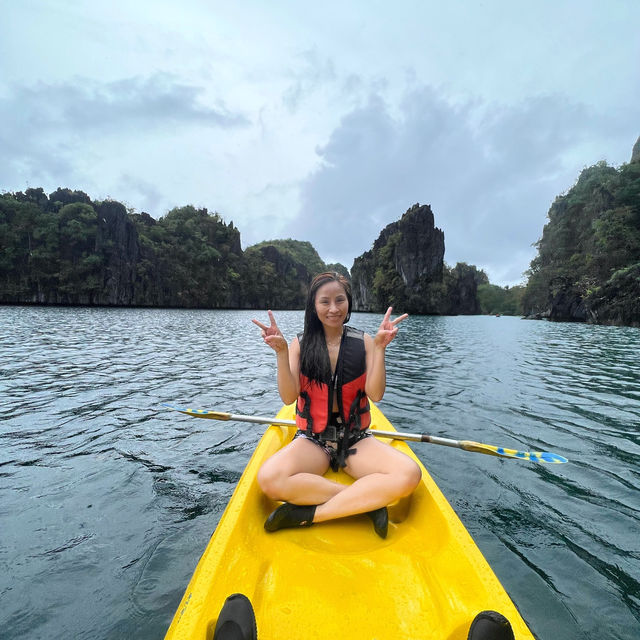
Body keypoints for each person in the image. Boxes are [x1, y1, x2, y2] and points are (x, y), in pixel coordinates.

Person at [252, 271, 422, 539]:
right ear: (314, 305)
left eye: (340, 300)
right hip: (313, 440)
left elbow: (375, 395)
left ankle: (309, 515)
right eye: (325, 301)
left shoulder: (365, 341)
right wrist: (282, 353)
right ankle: (367, 503)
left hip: (355, 442)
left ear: (348, 303)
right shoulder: (300, 343)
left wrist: (380, 349)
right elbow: (288, 398)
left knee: (409, 474)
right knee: (269, 479)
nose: (333, 309)